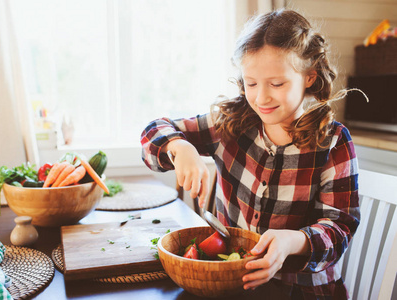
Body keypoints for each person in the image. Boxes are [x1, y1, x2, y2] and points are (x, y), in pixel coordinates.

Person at [140, 9, 360, 299]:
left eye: (277, 84)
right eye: (251, 83)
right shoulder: (231, 122)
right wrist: (179, 148)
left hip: (301, 290)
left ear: (309, 77)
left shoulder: (333, 141)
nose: (261, 97)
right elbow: (154, 131)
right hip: (230, 284)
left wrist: (292, 242)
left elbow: (340, 228)